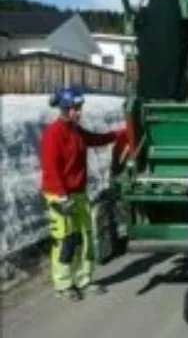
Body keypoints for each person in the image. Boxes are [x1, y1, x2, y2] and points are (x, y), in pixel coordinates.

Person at [40, 86, 125, 301]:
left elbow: (96, 140)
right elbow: (51, 168)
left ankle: (84, 279)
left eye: (80, 108)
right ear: (65, 108)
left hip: (78, 192)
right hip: (59, 195)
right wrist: (61, 195)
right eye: (76, 108)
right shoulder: (53, 133)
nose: (79, 112)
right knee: (65, 239)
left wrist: (121, 133)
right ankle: (64, 284)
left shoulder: (76, 131)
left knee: (86, 237)